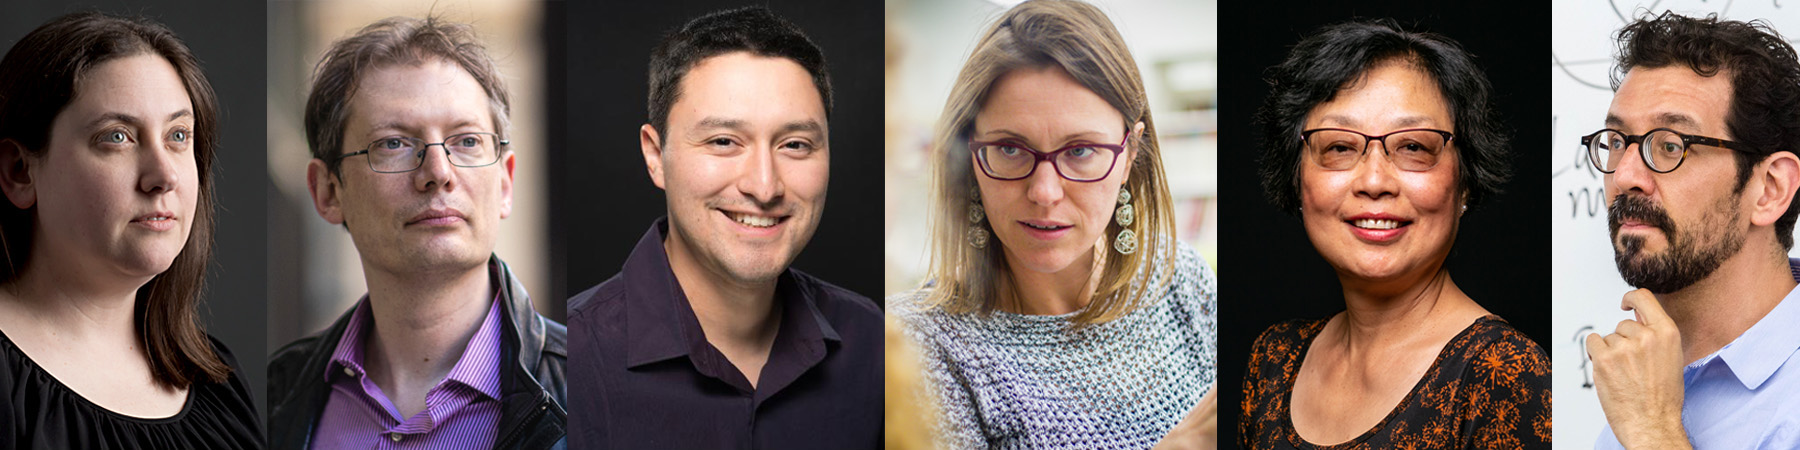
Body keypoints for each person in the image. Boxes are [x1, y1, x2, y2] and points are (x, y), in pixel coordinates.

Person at [886, 1, 1218, 448]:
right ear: (969, 156)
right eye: (1009, 149)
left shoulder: (1182, 278)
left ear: (1131, 152)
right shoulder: (915, 346)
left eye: (1080, 152)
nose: (1045, 191)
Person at [564, 6, 882, 448]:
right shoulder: (570, 361)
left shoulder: (873, 343)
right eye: (723, 142)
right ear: (656, 156)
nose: (764, 186)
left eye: (795, 145)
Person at [1239, 20, 1549, 449]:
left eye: (1413, 147)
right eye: (1340, 147)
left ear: (1466, 181)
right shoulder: (1274, 360)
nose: (1374, 180)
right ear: (1296, 179)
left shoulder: (1504, 374)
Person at [265, 16, 566, 449]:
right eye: (393, 143)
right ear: (328, 191)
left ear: (505, 182)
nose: (438, 173)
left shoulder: (594, 385)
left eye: (466, 141)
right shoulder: (270, 398)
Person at [0, 12, 262, 449]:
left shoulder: (219, 383)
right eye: (117, 137)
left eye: (178, 136)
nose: (163, 175)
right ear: (19, 171)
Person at [1581, 12, 1800, 450]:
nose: (1624, 176)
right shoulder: (1645, 381)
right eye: (1618, 141)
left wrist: (1654, 435)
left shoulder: (1647, 415)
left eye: (1669, 145)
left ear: (1770, 189)